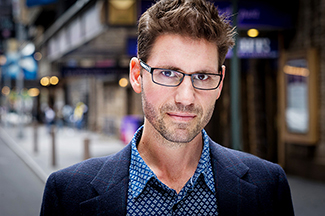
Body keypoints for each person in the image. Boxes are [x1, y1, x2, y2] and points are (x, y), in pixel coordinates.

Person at [40, 0, 294, 215]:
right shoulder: (68, 194)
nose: (186, 98)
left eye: (203, 76)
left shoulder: (268, 186)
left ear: (220, 83)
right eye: (169, 73)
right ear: (138, 75)